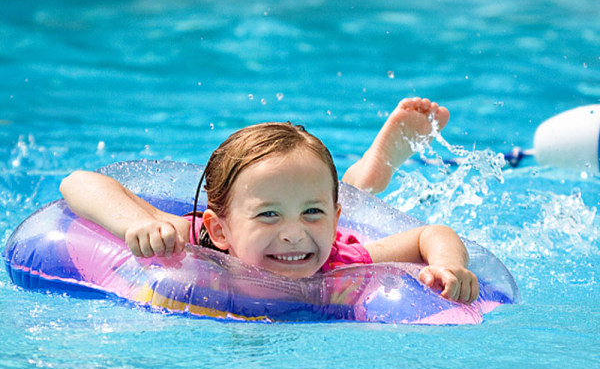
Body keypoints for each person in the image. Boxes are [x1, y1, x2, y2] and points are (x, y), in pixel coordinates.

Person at [60, 97, 478, 303]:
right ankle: (359, 180)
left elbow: (431, 233)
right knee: (315, 193)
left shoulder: (339, 262)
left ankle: (366, 178)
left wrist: (448, 266)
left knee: (348, 198)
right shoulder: (190, 243)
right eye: (269, 215)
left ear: (334, 221)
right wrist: (134, 224)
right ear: (219, 230)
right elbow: (79, 182)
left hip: (337, 214)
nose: (294, 234)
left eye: (313, 214)